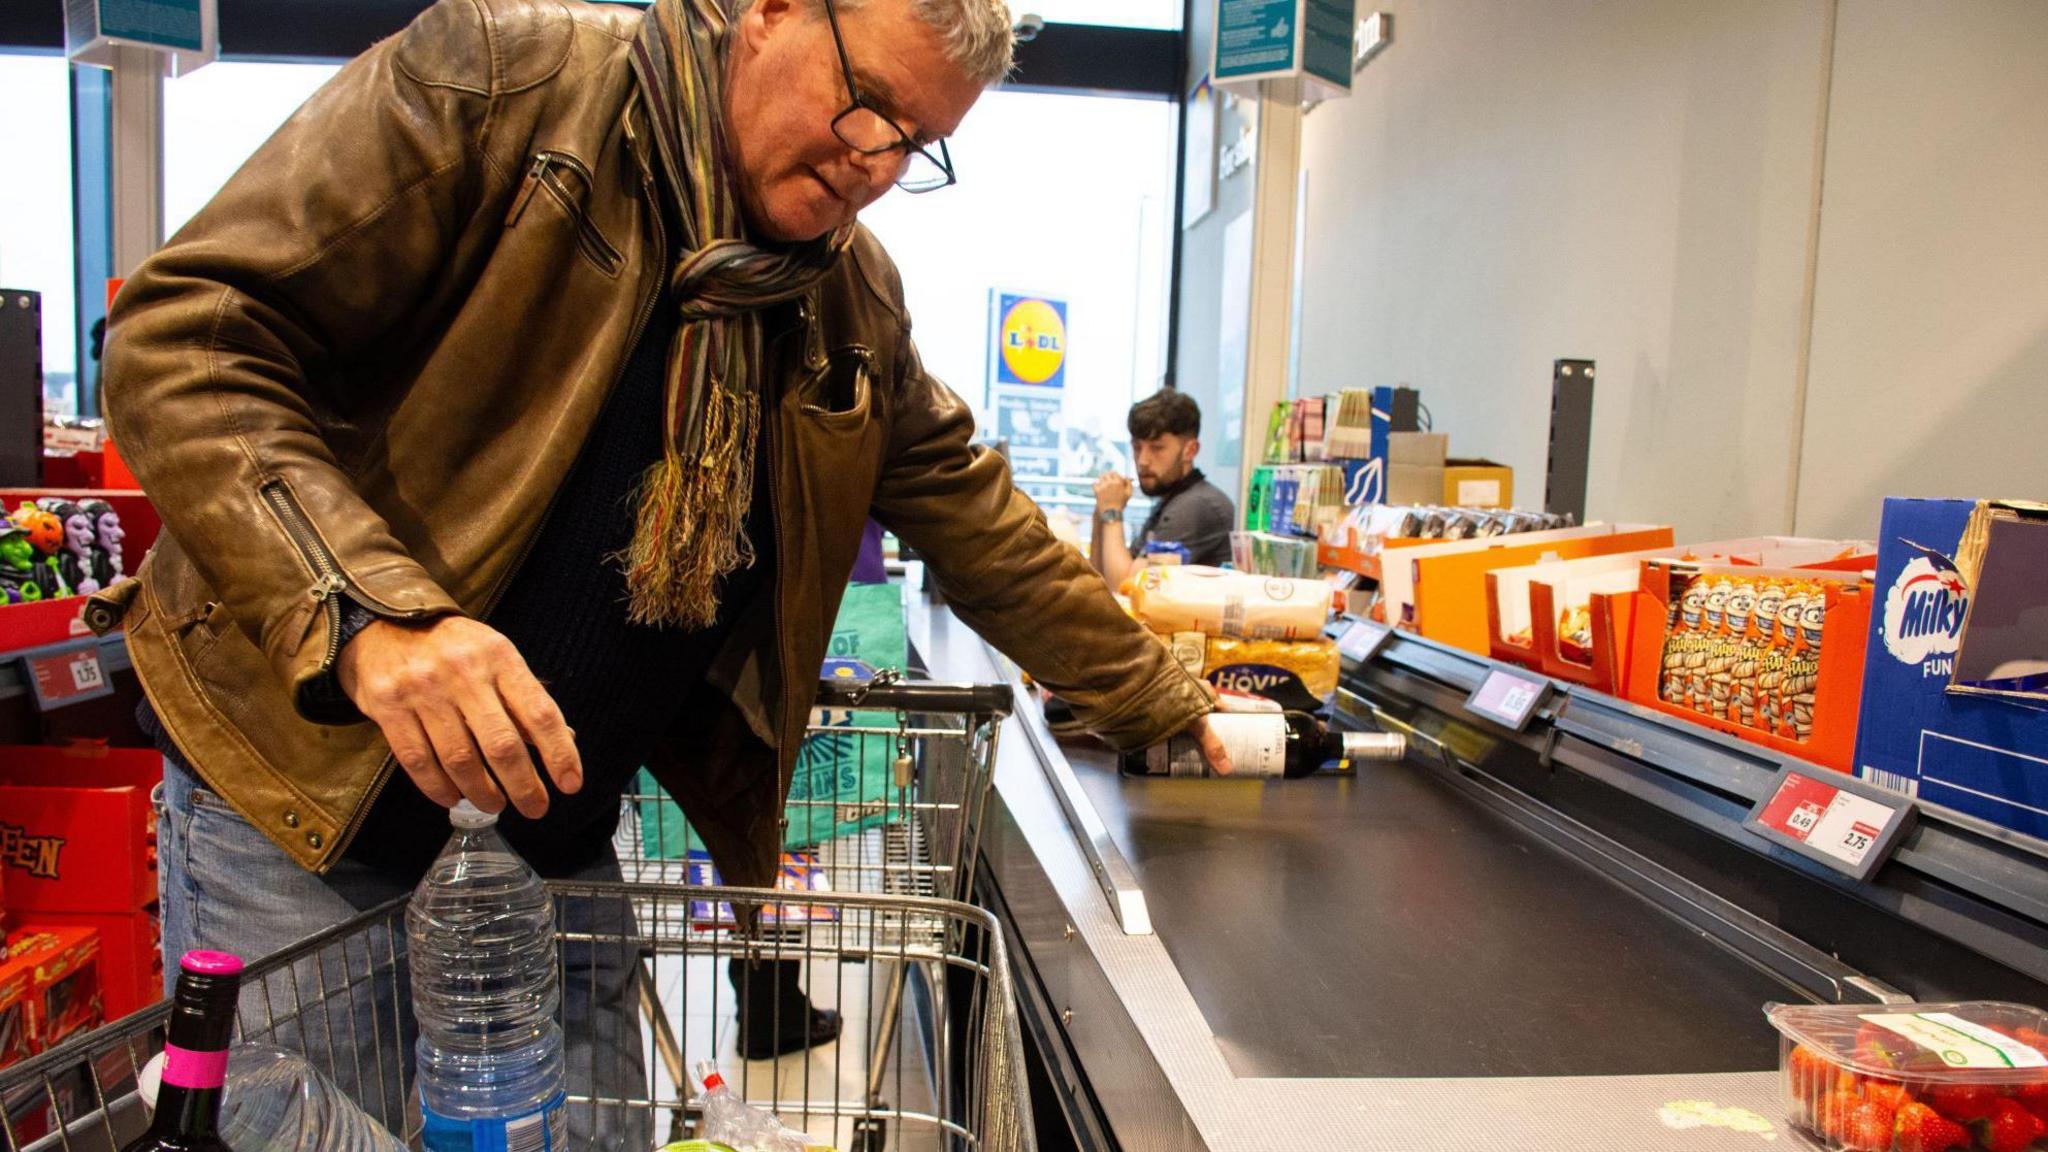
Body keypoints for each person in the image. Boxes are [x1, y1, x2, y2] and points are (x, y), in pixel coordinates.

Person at [94, 0, 1228, 1130]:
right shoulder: (504, 81)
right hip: (301, 816)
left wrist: (1168, 705)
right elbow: (188, 335)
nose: (874, 162)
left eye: (915, 141)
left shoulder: (844, 299)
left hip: (550, 848)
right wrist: (365, 616)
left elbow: (977, 517)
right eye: (867, 102)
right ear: (771, 12)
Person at [1092, 389, 1237, 587]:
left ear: (1190, 450)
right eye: (1137, 447)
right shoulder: (1171, 501)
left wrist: (1111, 513)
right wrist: (1101, 511)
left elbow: (1123, 587)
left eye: (1157, 448)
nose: (1142, 461)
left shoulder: (1197, 506)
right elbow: (1099, 579)